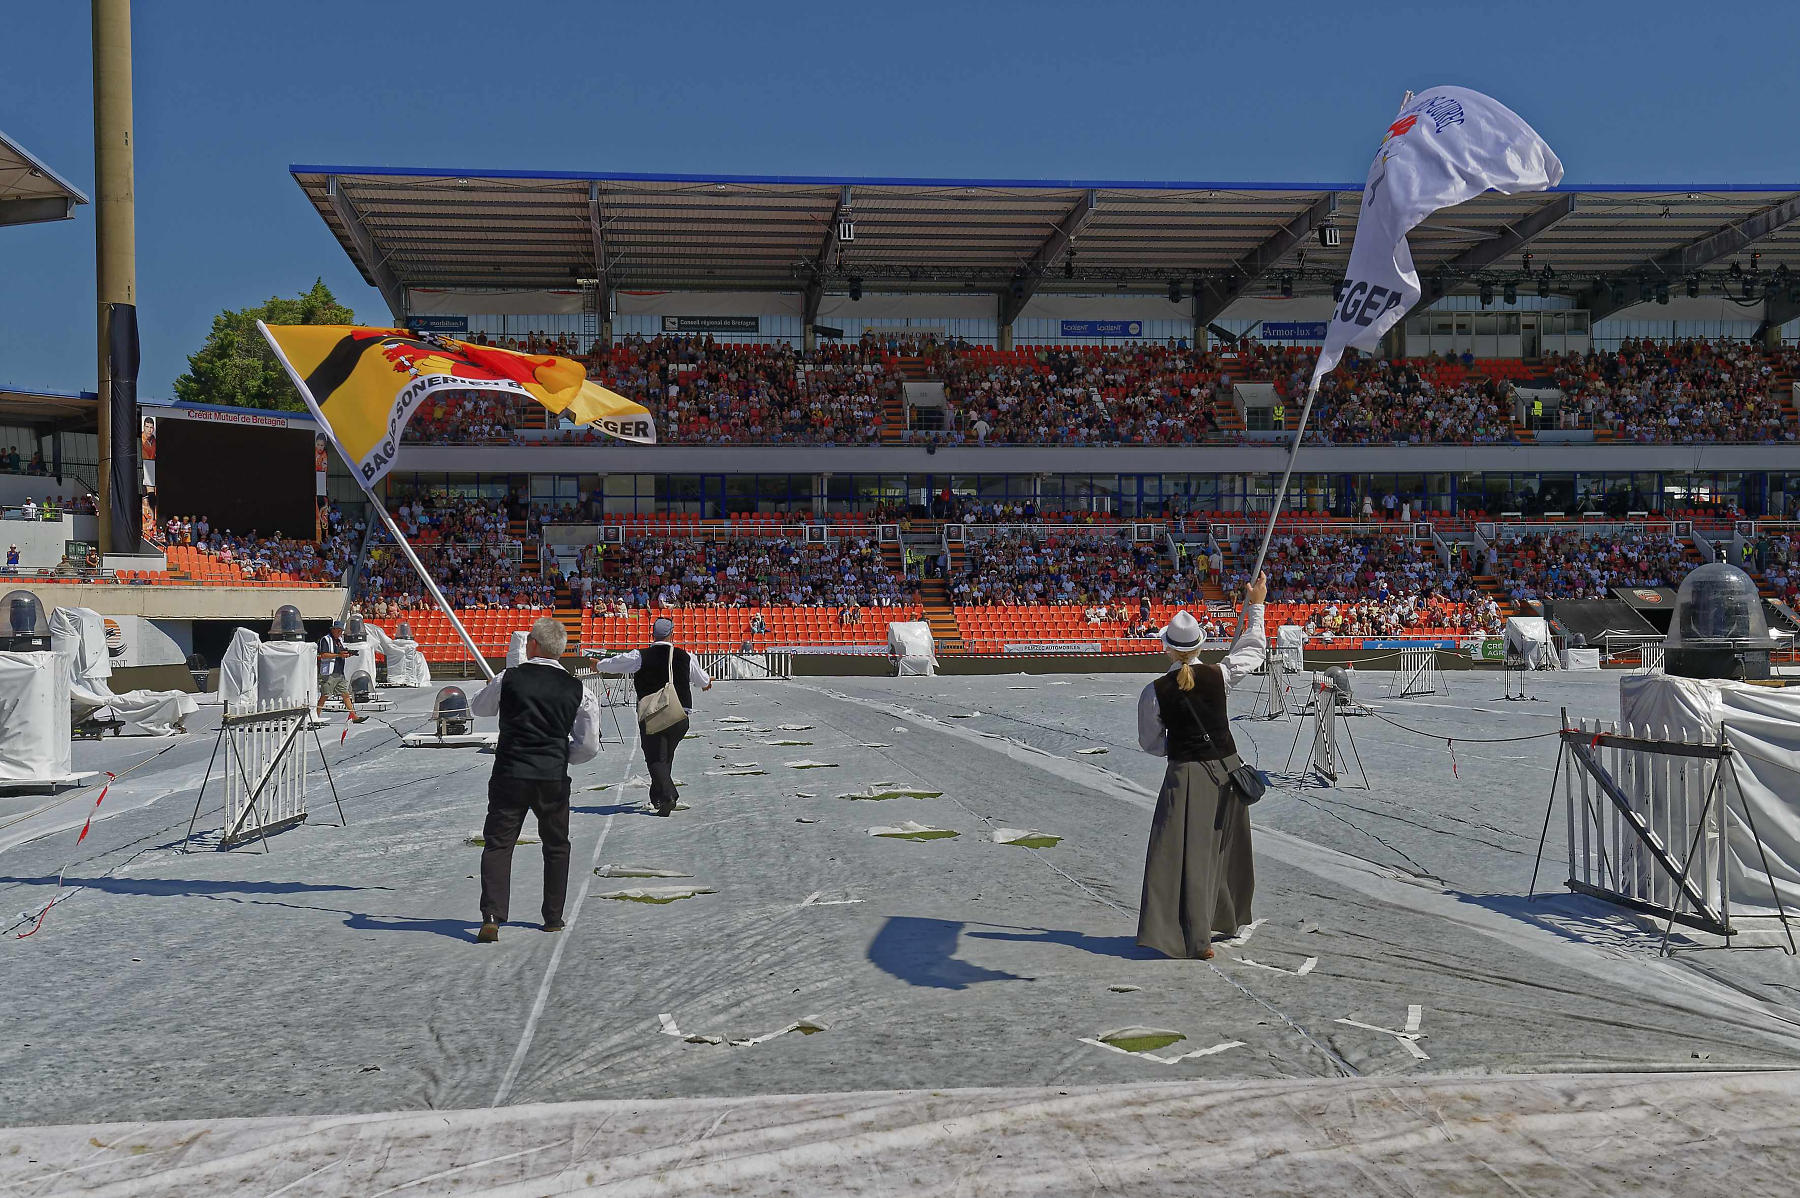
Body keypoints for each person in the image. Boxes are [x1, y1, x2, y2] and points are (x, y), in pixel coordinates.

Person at [1134, 571, 1268, 959]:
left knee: (1182, 855)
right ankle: (1218, 923)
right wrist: (1256, 604)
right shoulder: (1219, 675)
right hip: (1225, 770)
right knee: (1220, 851)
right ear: (1197, 646)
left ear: (1168, 649)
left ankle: (1195, 938)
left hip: (1185, 774)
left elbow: (1151, 743)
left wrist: (1180, 747)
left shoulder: (1154, 692)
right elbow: (1254, 648)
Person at [470, 617, 600, 943]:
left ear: (532, 645)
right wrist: (560, 754)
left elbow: (480, 709)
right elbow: (588, 745)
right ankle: (553, 917)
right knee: (556, 845)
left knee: (499, 844)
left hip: (510, 772)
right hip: (552, 777)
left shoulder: (508, 677)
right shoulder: (579, 689)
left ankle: (491, 917)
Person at [590, 616, 712, 817]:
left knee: (654, 757)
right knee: (666, 756)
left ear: (652, 635)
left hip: (652, 715)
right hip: (680, 715)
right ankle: (656, 796)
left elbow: (617, 663)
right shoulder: (686, 656)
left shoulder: (641, 656)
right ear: (673, 634)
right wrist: (707, 682)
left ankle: (668, 797)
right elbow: (702, 680)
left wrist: (599, 665)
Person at [315, 619, 366, 724]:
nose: (340, 633)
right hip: (329, 673)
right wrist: (339, 655)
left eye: (341, 631)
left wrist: (347, 654)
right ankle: (315, 716)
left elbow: (341, 652)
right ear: (333, 630)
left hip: (339, 672)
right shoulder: (326, 640)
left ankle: (354, 716)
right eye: (338, 631)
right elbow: (323, 655)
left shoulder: (339, 641)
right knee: (324, 695)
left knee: (345, 695)